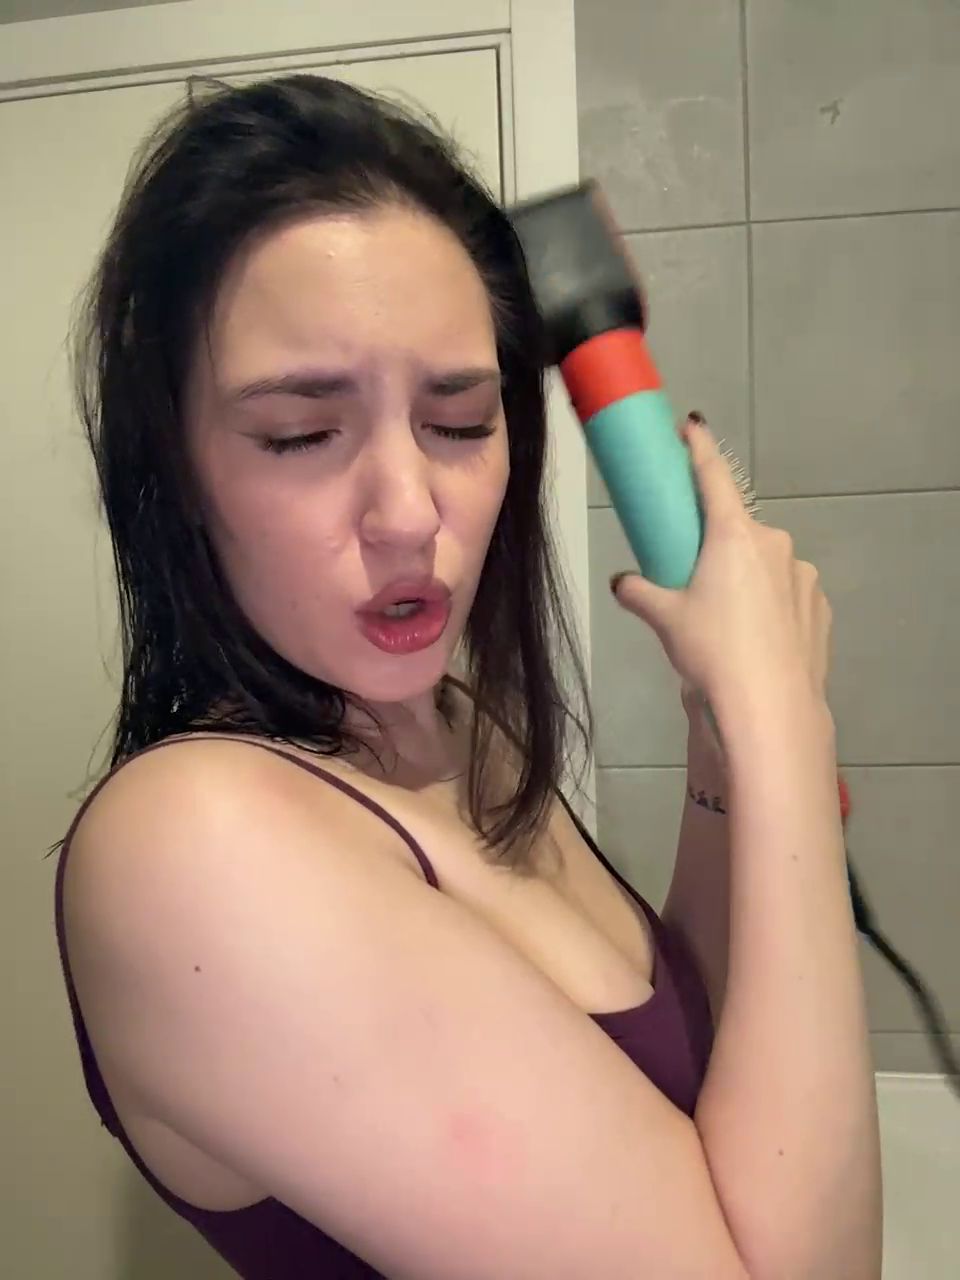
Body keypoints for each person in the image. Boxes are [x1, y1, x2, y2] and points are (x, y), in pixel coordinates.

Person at [56, 75, 882, 1279]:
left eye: (459, 421)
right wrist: (783, 724)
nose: (409, 512)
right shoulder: (193, 848)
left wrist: (726, 748)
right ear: (176, 471)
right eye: (300, 433)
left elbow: (701, 1055)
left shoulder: (448, 725)